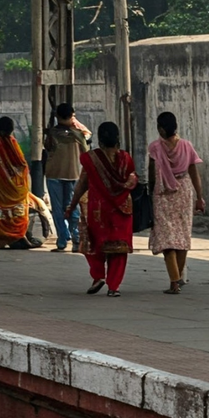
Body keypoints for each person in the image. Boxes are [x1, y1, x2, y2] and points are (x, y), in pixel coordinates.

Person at [68, 122, 138, 297]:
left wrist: (72, 204)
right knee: (119, 248)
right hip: (122, 209)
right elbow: (132, 180)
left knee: (93, 244)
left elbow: (82, 183)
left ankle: (98, 275)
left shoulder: (91, 159)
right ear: (117, 139)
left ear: (99, 139)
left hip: (98, 209)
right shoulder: (126, 158)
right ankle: (114, 286)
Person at [147, 112, 205, 295]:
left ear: (162, 129)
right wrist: (199, 197)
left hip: (163, 193)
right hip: (184, 192)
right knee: (181, 237)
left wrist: (150, 193)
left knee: (166, 240)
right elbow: (194, 173)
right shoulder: (187, 146)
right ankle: (178, 277)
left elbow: (151, 174)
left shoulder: (155, 148)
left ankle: (174, 281)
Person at [0, 117, 37, 249]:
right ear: (11, 130)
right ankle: (17, 237)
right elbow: (22, 164)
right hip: (14, 186)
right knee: (17, 210)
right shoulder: (13, 143)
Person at [45, 103, 89, 253]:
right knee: (73, 208)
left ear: (57, 116)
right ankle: (76, 239)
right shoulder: (79, 133)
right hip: (73, 174)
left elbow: (47, 147)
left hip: (54, 174)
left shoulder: (52, 132)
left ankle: (62, 240)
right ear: (72, 115)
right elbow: (86, 151)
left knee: (58, 210)